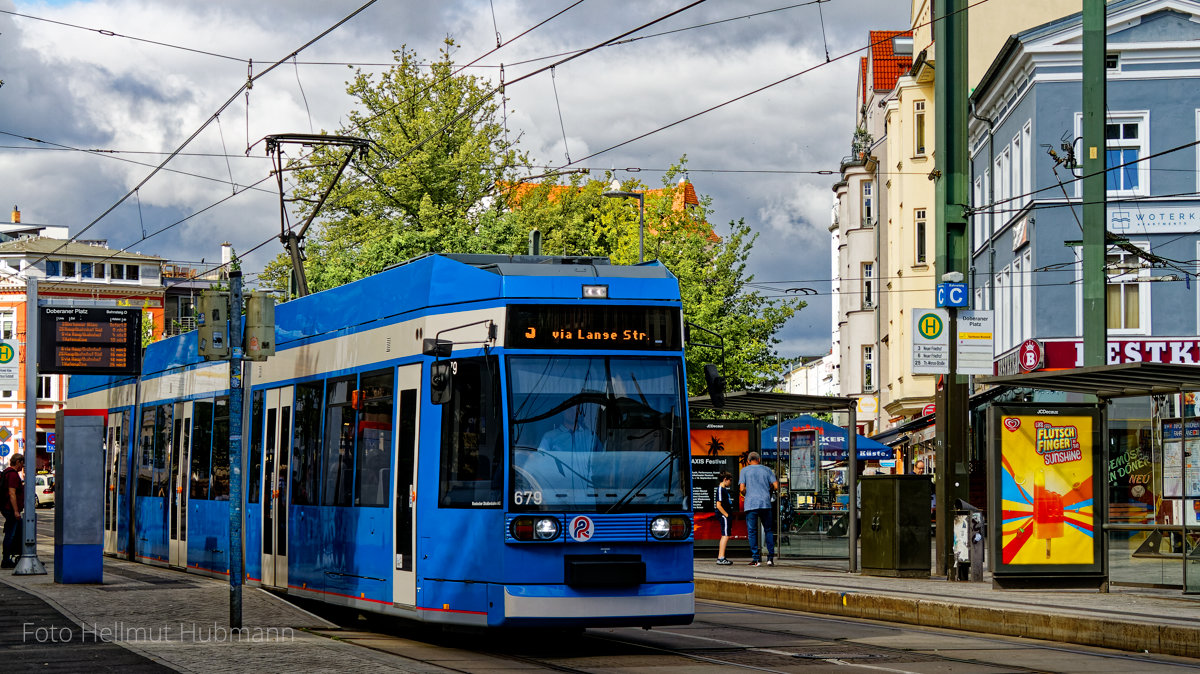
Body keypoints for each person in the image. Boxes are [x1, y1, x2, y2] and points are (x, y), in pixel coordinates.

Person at [739, 451, 778, 567]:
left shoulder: (744, 471)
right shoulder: (767, 470)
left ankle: (756, 559)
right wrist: (768, 488)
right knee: (768, 530)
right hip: (765, 503)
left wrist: (748, 493)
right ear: (759, 460)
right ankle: (770, 558)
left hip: (751, 504)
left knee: (752, 531)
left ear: (748, 461)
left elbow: (742, 489)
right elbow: (776, 485)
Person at [1, 453, 25, 568]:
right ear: (18, 462)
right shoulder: (12, 475)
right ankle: (6, 560)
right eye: (22, 463)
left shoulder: (7, 472)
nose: (22, 466)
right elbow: (12, 493)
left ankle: (18, 556)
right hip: (10, 509)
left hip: (7, 508)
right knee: (11, 534)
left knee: (16, 531)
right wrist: (16, 511)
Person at [714, 471, 734, 565]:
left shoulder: (722, 489)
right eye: (730, 480)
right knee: (725, 535)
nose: (730, 482)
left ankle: (721, 556)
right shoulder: (720, 489)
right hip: (724, 515)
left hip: (725, 515)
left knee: (725, 535)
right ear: (725, 479)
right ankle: (721, 557)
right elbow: (718, 505)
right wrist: (726, 514)